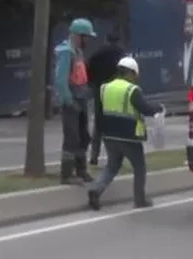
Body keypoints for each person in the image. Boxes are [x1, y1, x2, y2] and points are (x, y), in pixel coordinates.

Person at [87, 57, 163, 210]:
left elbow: (100, 111)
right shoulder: (132, 90)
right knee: (139, 167)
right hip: (129, 136)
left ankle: (96, 190)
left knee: (112, 166)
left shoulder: (104, 88)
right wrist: (158, 108)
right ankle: (140, 199)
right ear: (130, 73)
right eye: (135, 74)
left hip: (109, 135)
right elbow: (145, 108)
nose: (136, 78)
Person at [53, 18, 96, 184]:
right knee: (72, 138)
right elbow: (60, 80)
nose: (88, 41)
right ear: (78, 36)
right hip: (72, 101)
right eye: (86, 37)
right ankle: (67, 174)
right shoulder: (66, 52)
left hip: (81, 100)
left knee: (84, 137)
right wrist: (69, 100)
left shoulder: (77, 52)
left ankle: (81, 170)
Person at [86, 34, 125, 166]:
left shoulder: (97, 54)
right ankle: (114, 157)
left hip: (99, 90)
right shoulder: (120, 54)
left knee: (99, 125)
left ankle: (94, 156)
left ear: (106, 40)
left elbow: (89, 71)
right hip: (115, 91)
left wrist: (93, 84)